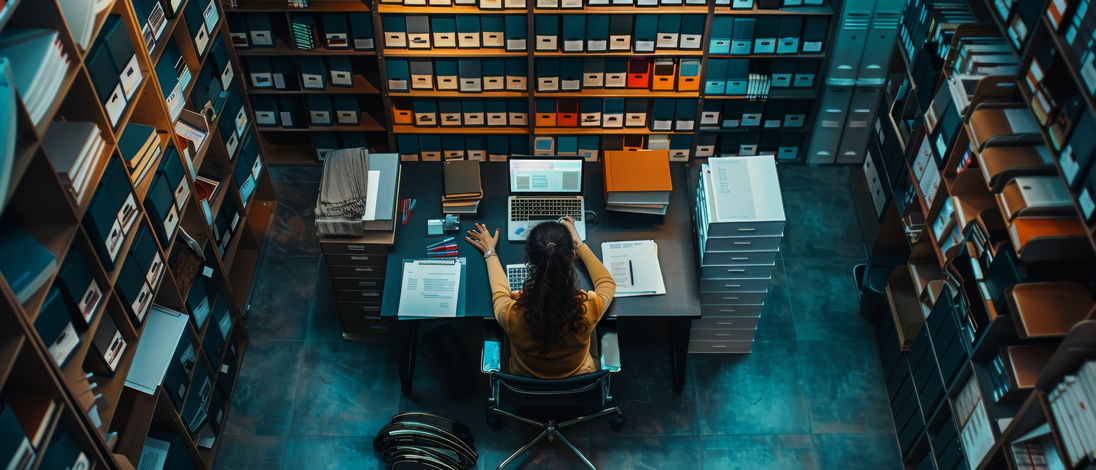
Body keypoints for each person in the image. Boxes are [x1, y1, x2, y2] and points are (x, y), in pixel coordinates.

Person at [465, 217, 615, 379]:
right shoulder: (588, 305)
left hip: (525, 383)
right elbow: (606, 283)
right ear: (572, 256)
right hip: (577, 380)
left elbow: (500, 296)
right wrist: (578, 244)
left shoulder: (512, 313)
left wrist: (490, 253)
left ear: (530, 259)